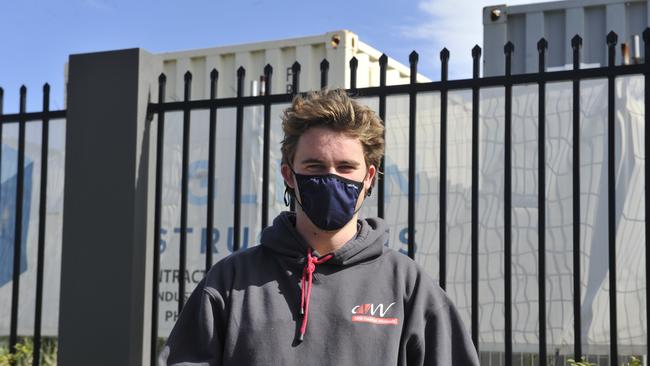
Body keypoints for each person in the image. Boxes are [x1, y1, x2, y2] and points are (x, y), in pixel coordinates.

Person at [160, 89, 479, 365]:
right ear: (289, 175)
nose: (330, 178)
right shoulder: (230, 282)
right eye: (314, 166)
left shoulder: (409, 287)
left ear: (368, 177)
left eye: (345, 167)